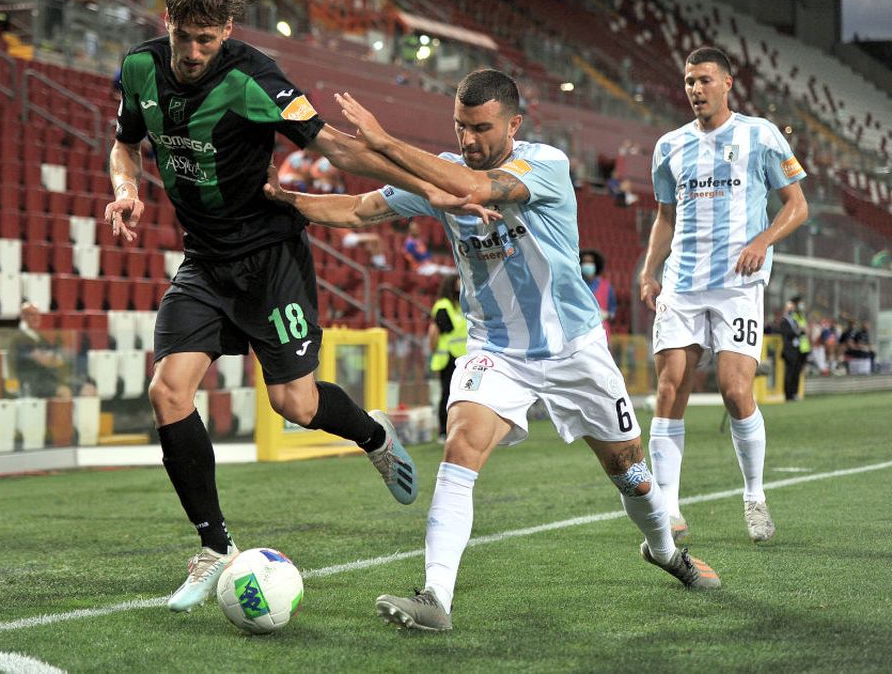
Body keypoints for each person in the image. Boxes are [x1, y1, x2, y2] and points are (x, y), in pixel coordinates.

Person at [265, 68, 721, 632]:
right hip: (496, 351)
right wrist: (285, 200)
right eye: (460, 127)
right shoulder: (444, 171)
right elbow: (359, 209)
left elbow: (477, 190)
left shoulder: (545, 165)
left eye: (480, 128)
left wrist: (384, 143)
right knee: (461, 444)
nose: (467, 140)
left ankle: (663, 550)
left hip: (574, 350)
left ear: (514, 124)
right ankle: (436, 595)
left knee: (630, 472)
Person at [102, 0, 491, 615]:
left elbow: (335, 149)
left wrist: (433, 189)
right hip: (204, 262)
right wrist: (125, 189)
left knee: (296, 405)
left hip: (270, 258)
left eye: (207, 39)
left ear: (226, 30)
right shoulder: (139, 69)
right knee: (168, 391)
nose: (193, 53)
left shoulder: (254, 79)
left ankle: (372, 435)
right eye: (183, 37)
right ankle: (216, 548)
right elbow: (125, 145)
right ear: (166, 22)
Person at [639, 46, 809, 544]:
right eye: (689, 81)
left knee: (737, 392)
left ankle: (754, 495)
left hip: (738, 285)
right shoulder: (668, 146)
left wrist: (762, 240)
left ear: (728, 83)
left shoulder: (760, 135)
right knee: (670, 388)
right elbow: (665, 217)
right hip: (682, 284)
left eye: (705, 80)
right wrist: (650, 271)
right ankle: (667, 505)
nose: (695, 89)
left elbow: (797, 205)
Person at [427, 274, 465, 442]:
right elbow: (435, 332)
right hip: (449, 357)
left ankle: (461, 429)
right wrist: (434, 350)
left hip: (463, 357)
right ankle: (443, 431)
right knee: (448, 394)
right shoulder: (443, 306)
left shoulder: (461, 306)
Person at [11, 302, 71, 399]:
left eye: (37, 315)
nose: (36, 318)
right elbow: (46, 360)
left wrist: (56, 358)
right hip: (31, 381)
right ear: (23, 317)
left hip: (46, 379)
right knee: (64, 392)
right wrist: (56, 359)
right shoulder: (21, 338)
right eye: (31, 315)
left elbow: (57, 356)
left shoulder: (39, 337)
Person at [778, 295, 810, 401]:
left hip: (797, 349)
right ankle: (788, 395)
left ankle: (794, 393)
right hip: (789, 350)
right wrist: (798, 331)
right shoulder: (785, 320)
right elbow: (787, 333)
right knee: (789, 373)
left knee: (796, 372)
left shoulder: (794, 320)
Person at [580, 249, 616, 337]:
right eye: (585, 262)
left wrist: (607, 315)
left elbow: (612, 312)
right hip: (581, 331)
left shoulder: (607, 287)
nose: (587, 264)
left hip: (601, 331)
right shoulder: (577, 285)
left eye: (590, 262)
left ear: (596, 265)